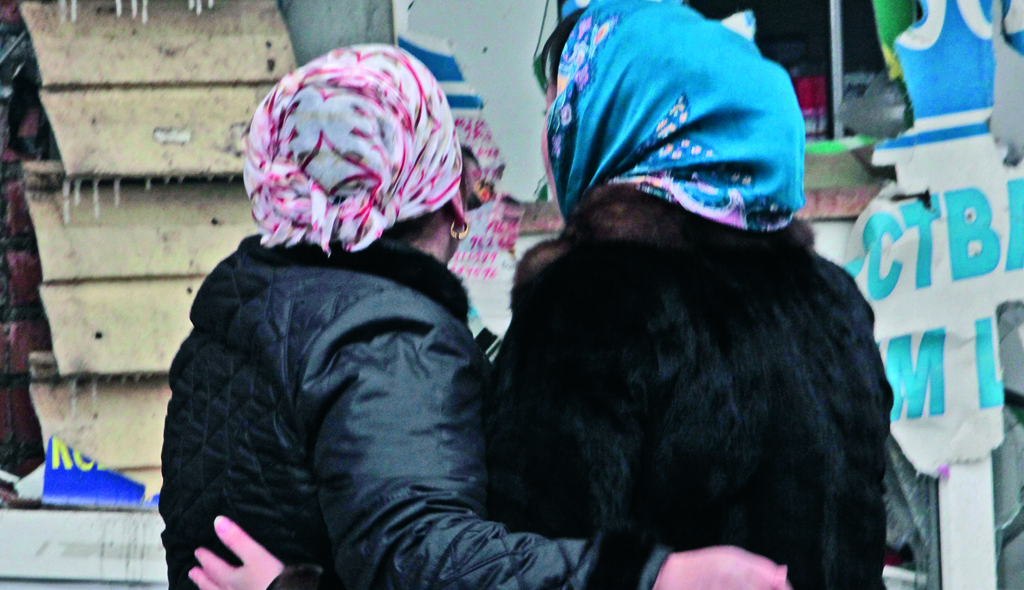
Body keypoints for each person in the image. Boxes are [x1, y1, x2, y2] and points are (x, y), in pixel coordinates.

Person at [162, 44, 793, 590]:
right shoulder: (388, 336)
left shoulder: (245, 308)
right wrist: (648, 576)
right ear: (443, 200)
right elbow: (421, 557)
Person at [484, 2, 892, 590]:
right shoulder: (831, 296)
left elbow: (538, 554)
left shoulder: (589, 301)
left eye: (559, 107)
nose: (551, 133)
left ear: (614, 116)